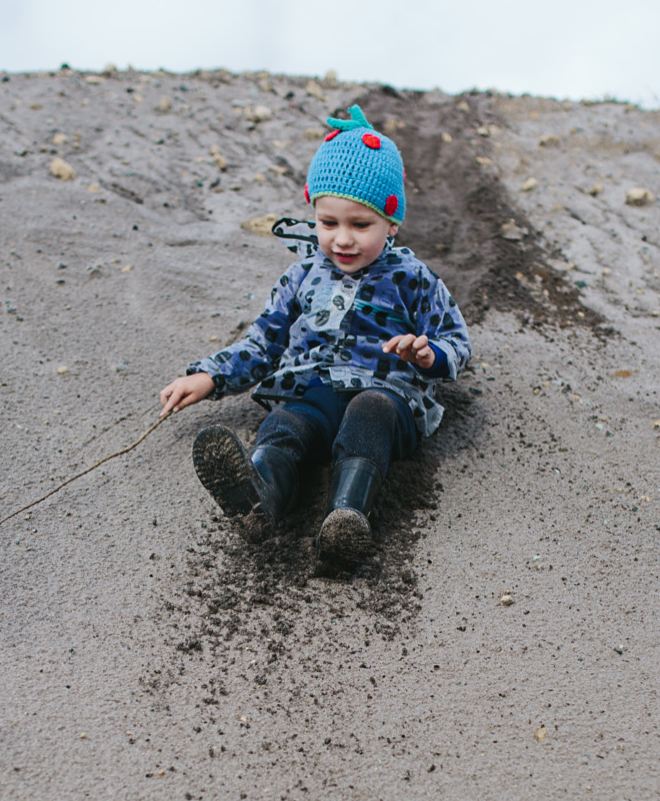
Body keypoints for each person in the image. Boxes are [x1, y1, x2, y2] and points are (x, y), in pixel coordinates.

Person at [156, 107, 469, 569]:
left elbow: (456, 341)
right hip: (315, 390)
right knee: (285, 423)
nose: (342, 239)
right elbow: (262, 343)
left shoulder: (413, 278)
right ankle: (259, 497)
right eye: (328, 223)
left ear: (392, 223)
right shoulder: (301, 275)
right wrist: (209, 376)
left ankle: (345, 518)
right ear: (314, 214)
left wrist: (429, 355)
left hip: (387, 392)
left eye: (360, 225)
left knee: (370, 413)